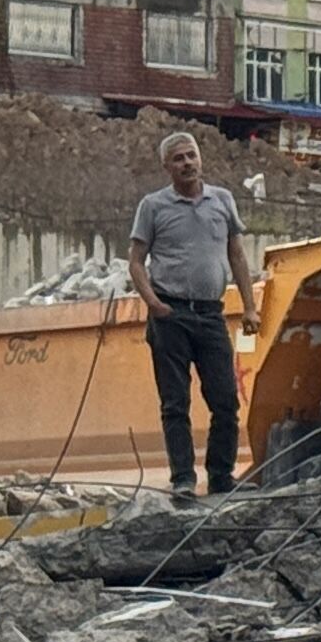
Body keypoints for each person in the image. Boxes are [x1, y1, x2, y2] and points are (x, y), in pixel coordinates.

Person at [126, 131, 260, 499]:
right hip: (171, 314)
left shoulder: (223, 200)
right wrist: (153, 304)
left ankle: (221, 477)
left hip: (211, 314)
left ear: (201, 159)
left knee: (225, 401)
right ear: (167, 166)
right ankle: (183, 479)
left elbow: (236, 254)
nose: (187, 163)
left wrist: (249, 306)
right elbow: (136, 261)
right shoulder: (153, 206)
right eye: (179, 158)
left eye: (192, 156)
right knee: (175, 403)